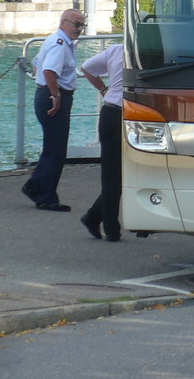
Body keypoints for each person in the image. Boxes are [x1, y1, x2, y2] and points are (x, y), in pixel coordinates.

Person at [21, 9, 86, 211]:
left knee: (53, 147)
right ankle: (46, 197)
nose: (80, 29)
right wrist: (56, 96)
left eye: (82, 25)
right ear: (63, 22)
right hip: (54, 97)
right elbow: (49, 71)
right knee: (56, 150)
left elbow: (36, 65)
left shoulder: (56, 41)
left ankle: (36, 187)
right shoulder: (59, 45)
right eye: (77, 25)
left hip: (48, 95)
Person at [78, 42, 124, 242]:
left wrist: (104, 89)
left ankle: (98, 218)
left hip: (110, 110)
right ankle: (109, 226)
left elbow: (86, 67)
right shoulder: (150, 53)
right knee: (119, 175)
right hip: (130, 114)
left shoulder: (115, 50)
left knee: (112, 174)